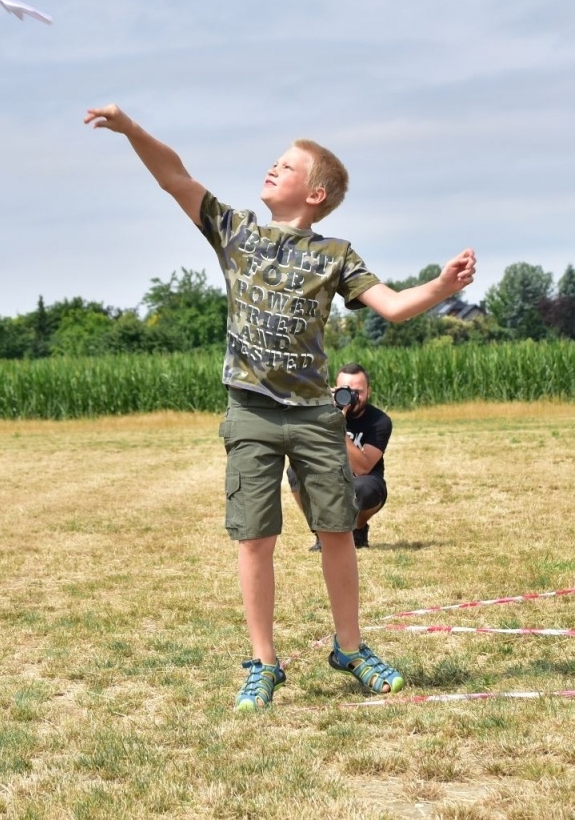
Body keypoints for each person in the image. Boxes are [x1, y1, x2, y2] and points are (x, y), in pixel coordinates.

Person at [85, 103, 476, 712]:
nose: (272, 167)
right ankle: (263, 663)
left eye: (286, 165)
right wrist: (133, 130)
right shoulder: (237, 231)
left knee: (337, 530)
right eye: (274, 161)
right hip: (250, 413)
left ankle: (351, 649)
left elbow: (394, 306)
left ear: (315, 192)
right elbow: (175, 177)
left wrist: (443, 287)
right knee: (254, 539)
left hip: (317, 415)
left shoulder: (336, 254)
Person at [289, 363, 390, 551]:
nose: (352, 398)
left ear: (369, 391)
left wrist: (339, 426)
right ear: (334, 390)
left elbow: (363, 468)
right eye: (345, 391)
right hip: (329, 474)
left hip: (363, 481)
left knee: (365, 489)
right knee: (294, 471)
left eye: (358, 392)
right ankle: (322, 531)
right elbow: (303, 452)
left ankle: (357, 529)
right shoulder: (320, 413)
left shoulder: (379, 421)